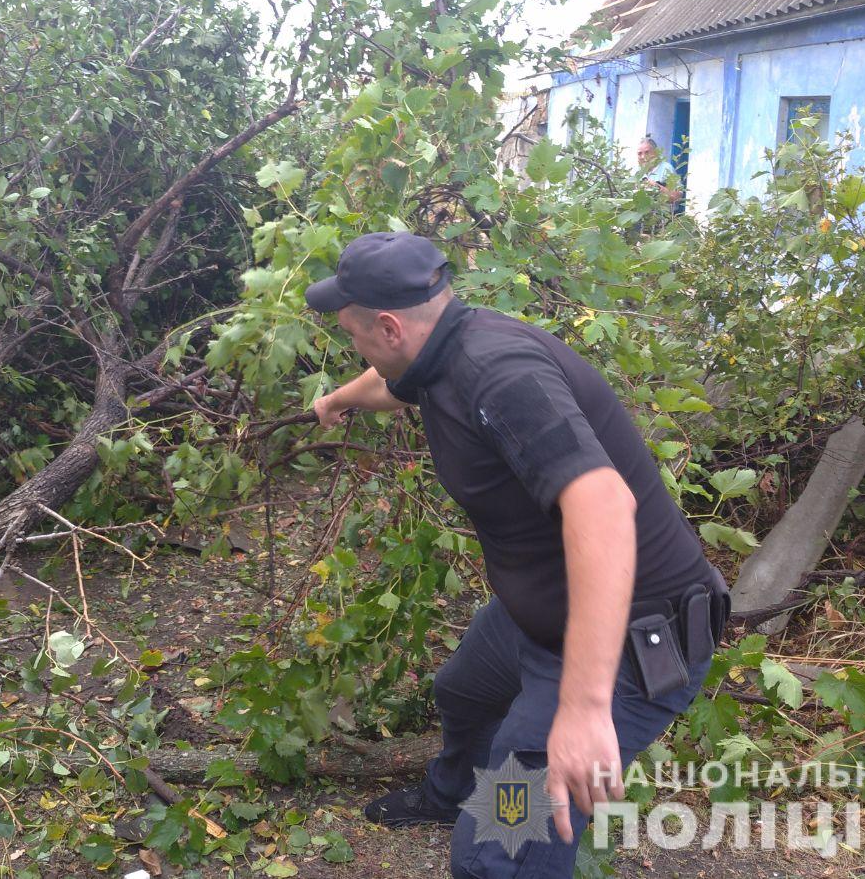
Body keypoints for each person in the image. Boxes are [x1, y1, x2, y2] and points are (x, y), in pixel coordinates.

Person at [306, 231, 729, 878]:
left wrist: (584, 711)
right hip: (539, 618)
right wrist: (338, 399)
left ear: (389, 326)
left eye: (354, 335)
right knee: (464, 691)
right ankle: (450, 797)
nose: (354, 346)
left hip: (629, 642)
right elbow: (398, 383)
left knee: (494, 856)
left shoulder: (499, 376)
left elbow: (605, 506)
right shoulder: (443, 347)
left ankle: (494, 840)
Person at [636, 136, 683, 209]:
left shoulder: (666, 169)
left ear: (656, 153)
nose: (643, 157)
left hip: (664, 217)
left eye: (647, 152)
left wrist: (656, 187)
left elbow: (677, 197)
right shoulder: (637, 172)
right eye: (639, 154)